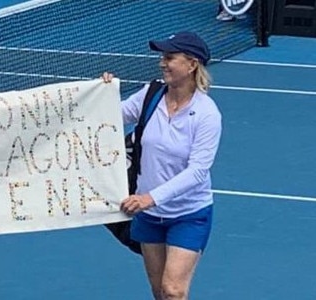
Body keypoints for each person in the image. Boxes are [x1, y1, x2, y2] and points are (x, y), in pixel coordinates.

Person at [103, 31, 222, 300]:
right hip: (149, 217)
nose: (162, 63)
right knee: (159, 293)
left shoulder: (206, 114)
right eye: (162, 57)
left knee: (173, 291)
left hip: (189, 214)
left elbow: (197, 171)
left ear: (191, 65)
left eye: (170, 57)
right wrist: (103, 91)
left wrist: (150, 198)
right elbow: (112, 116)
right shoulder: (151, 94)